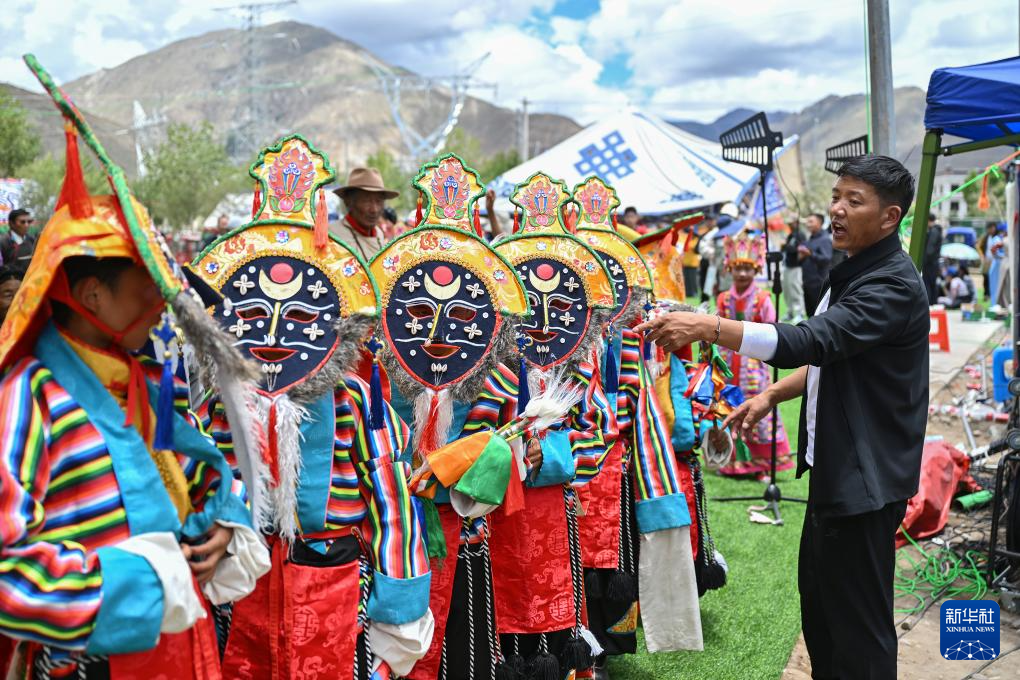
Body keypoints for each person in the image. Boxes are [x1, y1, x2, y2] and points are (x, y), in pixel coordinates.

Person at [0, 59, 269, 677]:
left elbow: (201, 476)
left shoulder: (145, 384)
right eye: (146, 284)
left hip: (182, 650)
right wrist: (144, 584)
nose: (162, 301)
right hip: (92, 661)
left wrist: (222, 524)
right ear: (92, 294)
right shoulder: (27, 398)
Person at [637, 154, 928, 679]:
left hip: (866, 480)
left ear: (890, 217)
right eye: (836, 197)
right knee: (821, 609)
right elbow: (833, 355)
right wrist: (772, 395)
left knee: (858, 629)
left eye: (854, 201)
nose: (837, 209)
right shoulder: (857, 268)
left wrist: (708, 327)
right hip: (837, 471)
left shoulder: (891, 285)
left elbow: (811, 341)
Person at [196, 135, 434, 679]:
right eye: (254, 314)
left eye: (302, 316)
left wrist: (398, 608)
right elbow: (203, 479)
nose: (275, 334)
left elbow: (391, 501)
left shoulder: (355, 399)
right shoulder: (221, 405)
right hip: (243, 588)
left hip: (332, 583)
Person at [715, 232, 791, 479]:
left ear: (756, 270)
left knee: (758, 410)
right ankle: (731, 461)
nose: (742, 274)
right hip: (728, 363)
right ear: (730, 269)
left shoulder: (762, 298)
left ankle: (761, 464)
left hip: (754, 365)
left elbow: (772, 329)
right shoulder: (724, 298)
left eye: (747, 269)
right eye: (738, 268)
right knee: (728, 406)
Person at [331, 166, 400, 261]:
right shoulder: (332, 235)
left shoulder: (379, 234)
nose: (374, 209)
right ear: (348, 202)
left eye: (379, 201)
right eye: (366, 201)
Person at [799, 212, 832, 316]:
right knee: (810, 314)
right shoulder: (810, 239)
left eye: (811, 221)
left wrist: (810, 254)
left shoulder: (824, 239)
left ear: (820, 223)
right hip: (807, 282)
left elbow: (826, 259)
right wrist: (801, 256)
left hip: (818, 284)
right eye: (807, 222)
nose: (808, 224)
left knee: (819, 315)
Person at [781, 219, 806, 322]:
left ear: (796, 223)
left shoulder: (800, 235)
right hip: (787, 265)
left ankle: (800, 313)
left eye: (791, 223)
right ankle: (790, 312)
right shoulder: (791, 235)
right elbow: (786, 249)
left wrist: (785, 246)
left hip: (796, 266)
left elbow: (800, 249)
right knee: (787, 290)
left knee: (795, 290)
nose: (790, 225)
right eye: (789, 223)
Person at [922, 212, 943, 305]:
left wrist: (925, 261)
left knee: (928, 284)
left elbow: (930, 250)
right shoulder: (936, 231)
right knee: (932, 284)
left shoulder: (933, 232)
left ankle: (929, 303)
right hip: (933, 262)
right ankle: (932, 303)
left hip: (930, 263)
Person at [987, 222, 1006, 307]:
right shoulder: (997, 239)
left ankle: (996, 304)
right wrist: (1004, 257)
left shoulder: (996, 238)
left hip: (997, 264)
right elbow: (994, 251)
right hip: (997, 265)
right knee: (995, 286)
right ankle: (995, 304)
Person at [977, 222, 998, 300]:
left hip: (994, 260)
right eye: (990, 228)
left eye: (993, 228)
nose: (991, 230)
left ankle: (992, 294)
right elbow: (978, 246)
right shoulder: (985, 237)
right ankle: (986, 294)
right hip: (987, 260)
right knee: (985, 277)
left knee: (993, 278)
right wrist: (982, 256)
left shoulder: (997, 237)